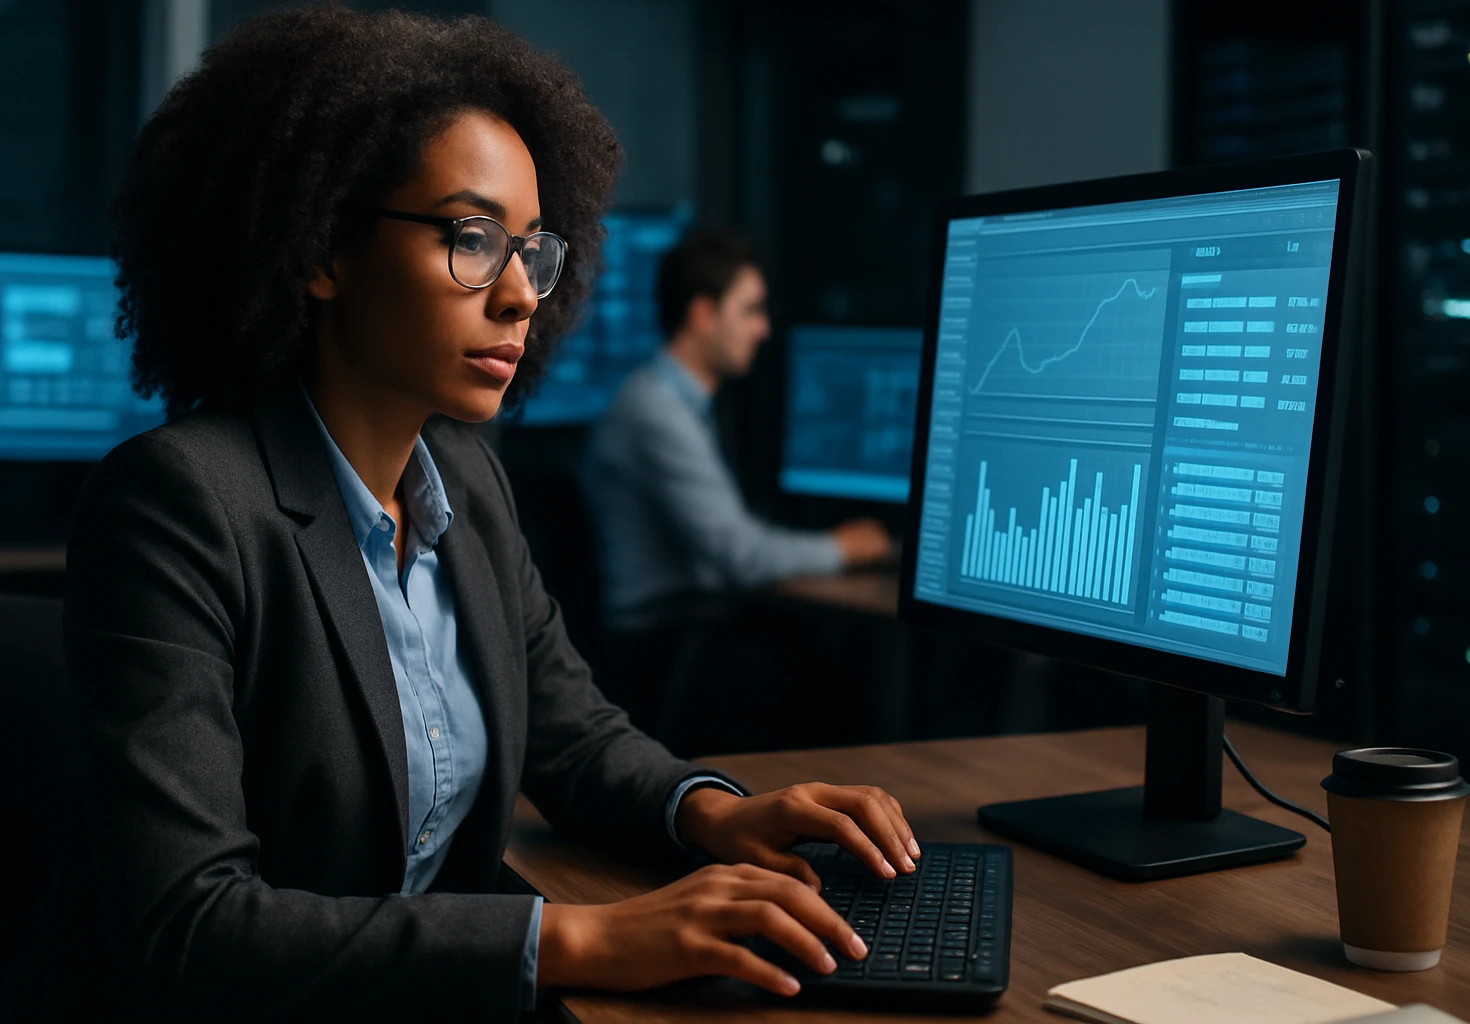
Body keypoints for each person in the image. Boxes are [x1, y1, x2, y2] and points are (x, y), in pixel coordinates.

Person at [45, 10, 923, 1020]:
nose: (520, 297)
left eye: (533, 251)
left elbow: (579, 739)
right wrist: (583, 935)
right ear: (322, 247)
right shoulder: (179, 505)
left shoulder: (468, 484)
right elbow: (192, 924)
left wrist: (715, 812)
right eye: (470, 238)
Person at [584, 229, 893, 632]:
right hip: (662, 641)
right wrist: (843, 547)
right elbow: (742, 557)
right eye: (751, 310)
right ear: (703, 315)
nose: (763, 329)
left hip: (684, 623)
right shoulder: (655, 411)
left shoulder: (674, 402)